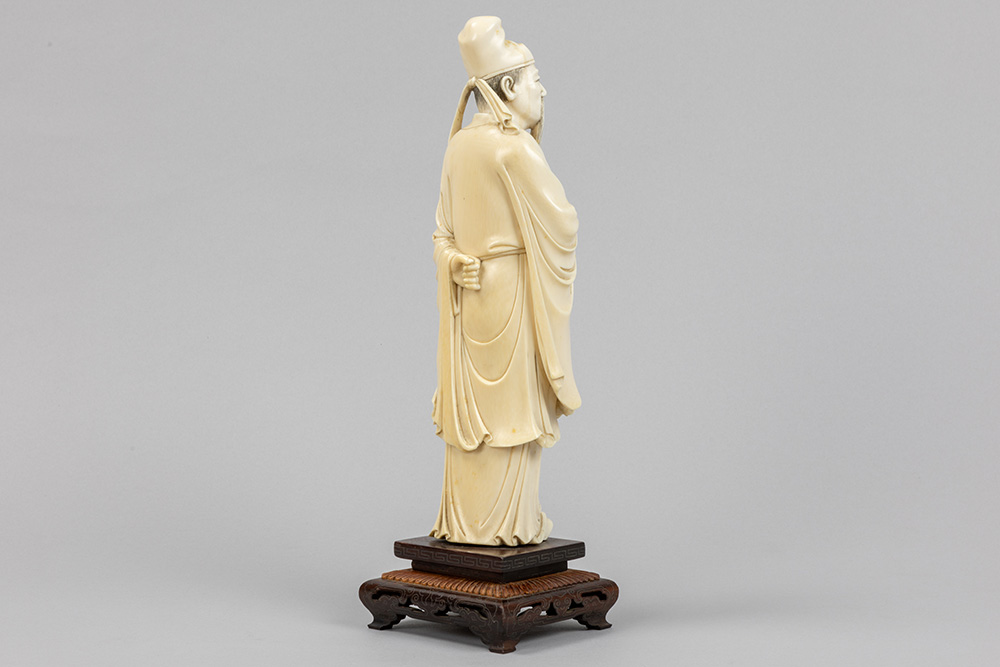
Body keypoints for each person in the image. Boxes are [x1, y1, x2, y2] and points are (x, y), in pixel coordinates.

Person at [430, 17, 581, 546]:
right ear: (510, 87)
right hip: (512, 292)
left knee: (482, 421)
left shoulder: (457, 146)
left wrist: (454, 263)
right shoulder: (513, 148)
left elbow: (442, 233)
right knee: (514, 418)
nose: (543, 90)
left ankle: (467, 527)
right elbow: (563, 223)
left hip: (472, 298)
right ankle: (509, 526)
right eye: (536, 79)